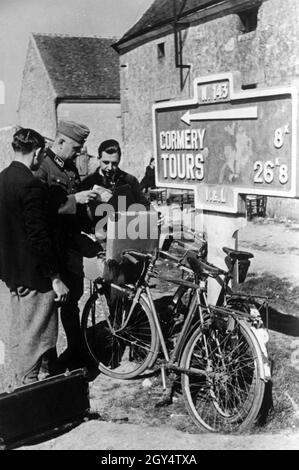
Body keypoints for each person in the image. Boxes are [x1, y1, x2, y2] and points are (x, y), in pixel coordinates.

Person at [0, 128, 69, 386]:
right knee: (37, 332)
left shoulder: (1, 179)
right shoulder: (31, 185)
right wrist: (55, 277)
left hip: (11, 272)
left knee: (19, 328)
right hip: (35, 274)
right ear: (38, 152)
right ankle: (28, 386)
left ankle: (17, 381)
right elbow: (39, 238)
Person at [35, 120, 99, 371]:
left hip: (70, 248)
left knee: (72, 302)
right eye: (75, 147)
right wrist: (74, 199)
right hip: (51, 250)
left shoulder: (69, 167)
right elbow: (41, 208)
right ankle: (48, 364)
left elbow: (76, 212)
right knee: (50, 308)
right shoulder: (41, 168)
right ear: (60, 142)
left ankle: (76, 351)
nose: (79, 152)